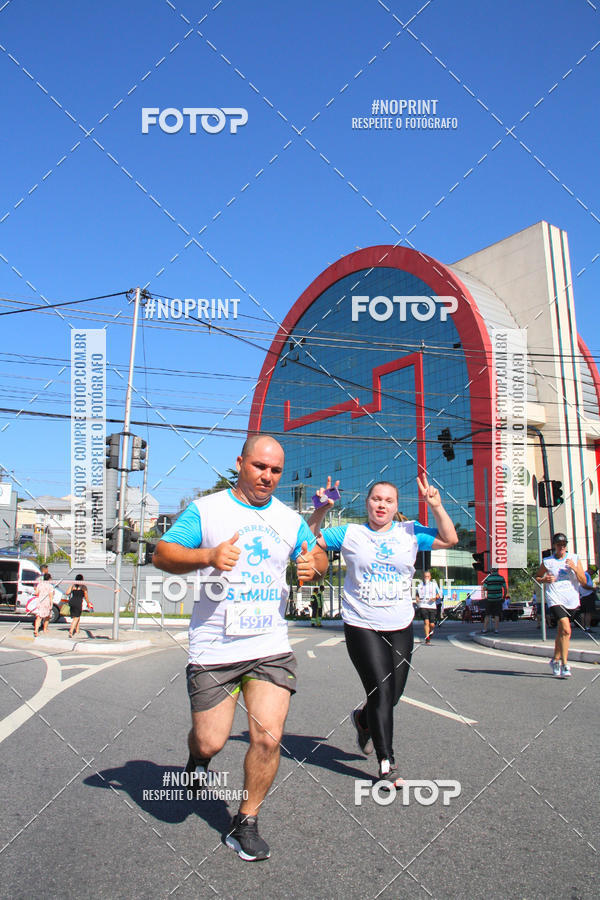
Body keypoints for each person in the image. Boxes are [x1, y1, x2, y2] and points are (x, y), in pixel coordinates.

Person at [152, 434, 327, 861]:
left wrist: (313, 565)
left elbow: (317, 556)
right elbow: (162, 553)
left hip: (270, 644)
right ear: (241, 463)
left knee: (268, 737)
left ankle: (245, 821)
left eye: (275, 471)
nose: (267, 476)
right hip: (215, 647)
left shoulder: (289, 519)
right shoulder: (208, 510)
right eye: (259, 467)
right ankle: (197, 761)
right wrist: (207, 555)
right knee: (211, 741)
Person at [308, 475, 457, 787]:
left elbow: (449, 539)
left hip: (400, 624)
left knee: (393, 694)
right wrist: (320, 510)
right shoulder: (351, 533)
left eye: (388, 501)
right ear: (367, 503)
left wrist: (438, 507)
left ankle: (363, 720)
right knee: (380, 690)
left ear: (395, 507)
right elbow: (309, 541)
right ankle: (386, 761)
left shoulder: (410, 531)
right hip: (362, 623)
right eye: (377, 499)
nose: (382, 505)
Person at [535, 533, 587, 678]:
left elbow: (583, 581)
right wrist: (544, 579)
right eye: (559, 545)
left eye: (564, 545)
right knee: (566, 629)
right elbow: (537, 577)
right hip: (555, 599)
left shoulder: (575, 559)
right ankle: (565, 664)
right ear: (554, 546)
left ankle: (555, 660)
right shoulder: (548, 561)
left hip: (571, 600)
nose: (562, 547)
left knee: (561, 633)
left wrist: (574, 568)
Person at [416, 570, 441, 644]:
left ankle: (431, 632)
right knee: (426, 622)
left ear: (430, 577)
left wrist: (435, 598)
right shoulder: (420, 585)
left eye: (428, 576)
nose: (426, 578)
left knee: (432, 624)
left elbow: (439, 594)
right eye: (425, 576)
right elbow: (417, 594)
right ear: (423, 577)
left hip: (432, 606)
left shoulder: (434, 585)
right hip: (423, 606)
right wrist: (417, 598)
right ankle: (427, 638)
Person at [481, 568, 507, 634]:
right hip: (498, 599)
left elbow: (484, 588)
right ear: (498, 570)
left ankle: (485, 629)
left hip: (489, 599)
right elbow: (505, 588)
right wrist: (503, 597)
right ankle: (496, 629)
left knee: (487, 615)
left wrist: (485, 596)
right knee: (496, 615)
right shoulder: (501, 578)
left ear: (491, 571)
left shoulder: (488, 578)